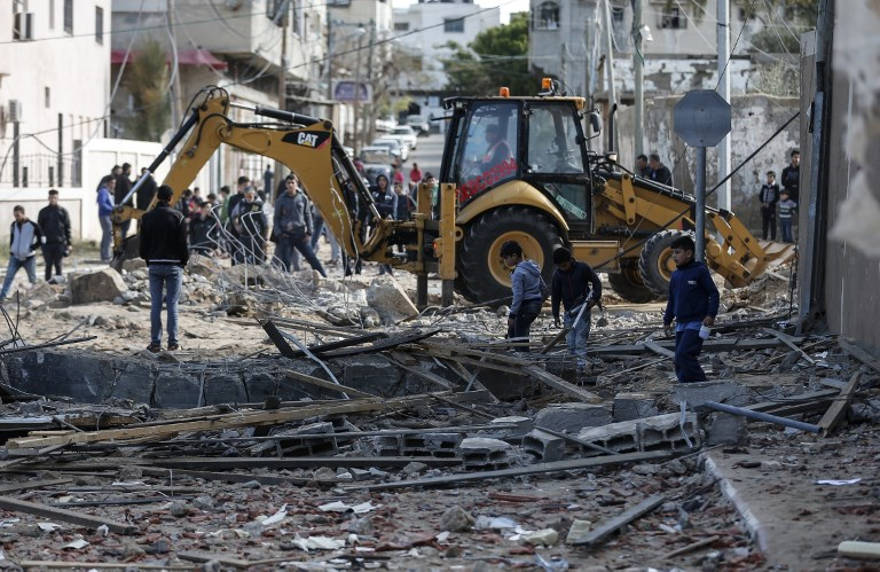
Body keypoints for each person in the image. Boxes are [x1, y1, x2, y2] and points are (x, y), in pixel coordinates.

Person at [662, 235, 719, 383]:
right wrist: (667, 321)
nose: (674, 256)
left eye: (678, 252)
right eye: (673, 252)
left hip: (697, 323)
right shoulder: (675, 276)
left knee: (684, 354)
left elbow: (713, 293)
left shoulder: (700, 271)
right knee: (679, 361)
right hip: (681, 324)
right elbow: (672, 299)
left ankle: (703, 386)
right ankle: (685, 391)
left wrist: (710, 315)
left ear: (689, 253)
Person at [139, 185, 188, 353]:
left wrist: (148, 259)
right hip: (174, 265)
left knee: (156, 304)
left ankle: (155, 343)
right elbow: (183, 244)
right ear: (171, 198)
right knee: (172, 304)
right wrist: (183, 261)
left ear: (157, 197)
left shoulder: (146, 218)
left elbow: (143, 245)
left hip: (154, 264)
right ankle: (173, 343)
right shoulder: (179, 217)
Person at [550, 247, 602, 372]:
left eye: (564, 265)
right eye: (560, 266)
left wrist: (594, 298)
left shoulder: (582, 268)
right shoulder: (557, 275)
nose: (563, 268)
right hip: (569, 312)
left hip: (583, 309)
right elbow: (555, 296)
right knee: (570, 342)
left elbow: (596, 283)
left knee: (580, 339)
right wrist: (555, 315)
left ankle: (582, 366)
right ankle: (573, 366)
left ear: (570, 260)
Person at [273, 175, 327, 276]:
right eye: (288, 183)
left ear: (296, 184)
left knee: (311, 257)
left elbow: (308, 216)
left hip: (300, 235)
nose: (290, 185)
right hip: (286, 235)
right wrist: (279, 233)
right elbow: (276, 218)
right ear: (285, 185)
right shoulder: (281, 200)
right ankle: (287, 283)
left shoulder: (303, 198)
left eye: (292, 183)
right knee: (286, 262)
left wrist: (309, 232)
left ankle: (324, 277)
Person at [501, 240, 545, 340]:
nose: (505, 261)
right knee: (517, 331)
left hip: (527, 305)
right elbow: (542, 286)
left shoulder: (518, 273)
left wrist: (512, 315)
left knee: (519, 337)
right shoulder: (532, 267)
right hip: (536, 304)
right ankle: (517, 351)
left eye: (506, 258)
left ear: (514, 255)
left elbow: (518, 296)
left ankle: (522, 354)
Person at [0, 206, 42, 301]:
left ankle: (36, 298)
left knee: (33, 279)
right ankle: (2, 297)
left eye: (18, 215)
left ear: (23, 213)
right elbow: (12, 238)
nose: (16, 218)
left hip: (29, 258)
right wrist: (12, 249)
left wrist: (32, 247)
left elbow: (41, 239)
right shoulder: (13, 225)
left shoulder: (33, 225)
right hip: (15, 257)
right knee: (8, 277)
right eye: (15, 216)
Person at [37, 190, 72, 283]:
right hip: (47, 244)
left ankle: (59, 286)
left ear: (58, 198)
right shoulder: (43, 212)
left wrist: (69, 243)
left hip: (59, 243)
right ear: (48, 198)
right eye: (51, 198)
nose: (53, 199)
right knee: (48, 265)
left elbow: (67, 228)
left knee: (58, 265)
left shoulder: (63, 211)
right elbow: (39, 228)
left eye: (55, 198)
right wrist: (40, 241)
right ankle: (47, 286)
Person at [231, 187, 268, 264]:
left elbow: (265, 225)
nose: (249, 198)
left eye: (250, 196)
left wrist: (265, 239)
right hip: (244, 237)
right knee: (241, 260)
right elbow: (233, 216)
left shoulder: (258, 205)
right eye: (247, 196)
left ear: (254, 194)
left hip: (257, 237)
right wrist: (236, 226)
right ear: (244, 195)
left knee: (258, 261)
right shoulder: (241, 204)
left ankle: (258, 276)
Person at [97, 175, 116, 263]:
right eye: (112, 183)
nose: (114, 185)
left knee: (107, 235)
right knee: (108, 235)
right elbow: (102, 204)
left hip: (108, 215)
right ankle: (106, 256)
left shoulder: (108, 192)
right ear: (108, 183)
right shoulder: (103, 192)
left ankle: (105, 255)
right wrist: (112, 209)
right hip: (105, 215)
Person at [758, 171, 779, 241]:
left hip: (771, 207)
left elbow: (777, 197)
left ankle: (773, 238)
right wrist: (763, 202)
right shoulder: (764, 186)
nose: (769, 179)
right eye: (768, 177)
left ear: (773, 178)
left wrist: (770, 203)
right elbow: (760, 196)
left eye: (770, 177)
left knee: (773, 223)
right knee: (764, 223)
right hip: (765, 207)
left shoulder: (776, 186)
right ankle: (764, 237)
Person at [115, 163, 134, 238]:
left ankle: (118, 244)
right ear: (127, 169)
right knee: (124, 228)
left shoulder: (119, 178)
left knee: (118, 228)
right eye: (130, 169)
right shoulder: (125, 180)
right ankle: (122, 246)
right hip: (125, 207)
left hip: (118, 206)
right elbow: (129, 193)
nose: (130, 171)